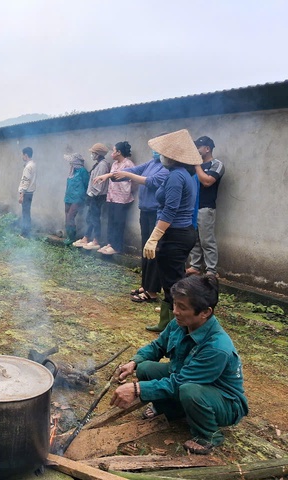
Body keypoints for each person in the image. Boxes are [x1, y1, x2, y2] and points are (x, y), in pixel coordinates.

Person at [110, 274, 248, 455]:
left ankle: (209, 435)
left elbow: (180, 383)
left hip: (223, 401)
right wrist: (134, 362)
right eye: (175, 304)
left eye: (182, 307)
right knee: (145, 368)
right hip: (187, 378)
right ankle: (171, 411)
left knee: (189, 390)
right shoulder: (179, 323)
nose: (175, 311)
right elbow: (158, 346)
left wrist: (137, 389)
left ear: (205, 312)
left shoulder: (217, 347)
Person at [142, 129, 200, 332]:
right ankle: (167, 325)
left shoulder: (176, 176)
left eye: (163, 153)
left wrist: (154, 237)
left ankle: (178, 327)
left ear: (172, 156)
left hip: (175, 234)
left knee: (173, 283)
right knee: (172, 280)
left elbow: (170, 209)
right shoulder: (183, 174)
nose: (160, 156)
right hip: (181, 233)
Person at [112, 146, 169, 302]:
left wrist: (126, 174)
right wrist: (111, 175)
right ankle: (145, 284)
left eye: (158, 148)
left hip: (156, 213)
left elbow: (151, 182)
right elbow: (136, 171)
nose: (155, 151)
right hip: (145, 211)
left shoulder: (167, 168)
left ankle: (152, 291)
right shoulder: (152, 162)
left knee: (153, 250)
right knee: (146, 249)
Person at [187, 136, 225, 277]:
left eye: (198, 147)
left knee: (206, 240)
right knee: (194, 239)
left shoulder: (217, 165)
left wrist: (197, 165)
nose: (196, 150)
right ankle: (195, 266)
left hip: (205, 208)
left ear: (207, 148)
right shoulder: (193, 166)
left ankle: (211, 271)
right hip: (192, 207)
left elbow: (207, 182)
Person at [93, 141, 135, 255]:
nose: (112, 153)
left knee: (118, 222)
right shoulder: (115, 164)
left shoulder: (128, 164)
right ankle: (110, 243)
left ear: (119, 152)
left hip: (122, 199)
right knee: (111, 221)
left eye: (114, 150)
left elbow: (132, 181)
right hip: (111, 197)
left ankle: (117, 247)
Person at [74, 143, 111, 250]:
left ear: (98, 154)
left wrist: (91, 194)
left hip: (97, 196)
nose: (91, 154)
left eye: (93, 153)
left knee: (95, 218)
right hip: (94, 196)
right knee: (90, 218)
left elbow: (99, 183)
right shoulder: (98, 164)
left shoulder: (102, 165)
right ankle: (86, 237)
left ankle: (96, 240)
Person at [63, 150, 89, 245]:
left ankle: (72, 238)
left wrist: (85, 198)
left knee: (70, 217)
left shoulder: (82, 171)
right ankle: (68, 236)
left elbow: (87, 184)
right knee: (67, 216)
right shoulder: (72, 171)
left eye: (72, 161)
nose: (70, 163)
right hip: (68, 197)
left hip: (77, 198)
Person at [18, 147, 36, 238]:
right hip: (30, 192)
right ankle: (26, 232)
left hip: (26, 192)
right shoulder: (33, 165)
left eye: (22, 155)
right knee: (27, 212)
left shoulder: (28, 167)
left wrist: (21, 195)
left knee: (25, 213)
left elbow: (25, 181)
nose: (22, 157)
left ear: (26, 155)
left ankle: (25, 234)